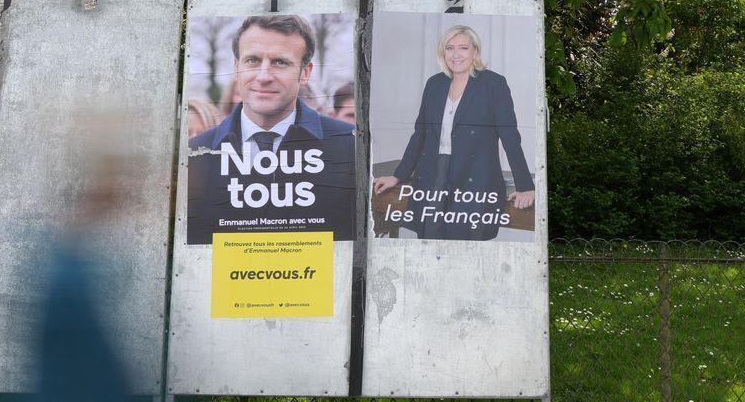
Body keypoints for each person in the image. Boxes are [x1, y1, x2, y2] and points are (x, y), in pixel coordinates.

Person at [186, 14, 355, 245]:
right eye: (253, 60)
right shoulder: (195, 155)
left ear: (305, 72)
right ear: (236, 68)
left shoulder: (349, 148)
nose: (263, 76)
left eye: (280, 62)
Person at [372, 25, 534, 240]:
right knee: (430, 240)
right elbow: (420, 134)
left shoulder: (493, 84)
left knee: (466, 243)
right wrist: (398, 176)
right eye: (449, 48)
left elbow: (510, 137)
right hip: (433, 175)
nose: (456, 54)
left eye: (463, 48)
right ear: (443, 53)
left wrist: (524, 186)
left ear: (475, 52)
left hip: (474, 176)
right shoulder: (434, 84)